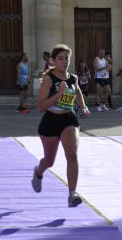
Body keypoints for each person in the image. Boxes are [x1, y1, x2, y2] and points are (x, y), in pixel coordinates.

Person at [33, 44, 90, 207]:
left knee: (71, 154)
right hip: (50, 121)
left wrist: (83, 106)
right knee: (49, 161)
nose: (64, 62)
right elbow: (40, 107)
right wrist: (59, 94)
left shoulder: (73, 78)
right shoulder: (49, 79)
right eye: (60, 58)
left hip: (69, 119)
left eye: (67, 58)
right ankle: (38, 172)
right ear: (53, 61)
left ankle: (72, 193)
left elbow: (77, 92)